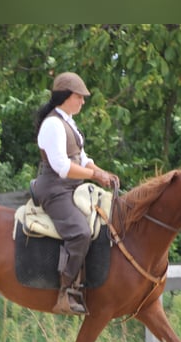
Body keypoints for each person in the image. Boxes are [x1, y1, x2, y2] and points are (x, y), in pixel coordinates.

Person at [33, 71, 119, 315]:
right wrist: (94, 176)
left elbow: (82, 158)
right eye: (79, 97)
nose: (83, 101)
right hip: (55, 189)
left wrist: (104, 173)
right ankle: (65, 291)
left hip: (72, 186)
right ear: (66, 96)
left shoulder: (68, 122)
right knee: (80, 232)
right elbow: (61, 167)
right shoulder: (52, 124)